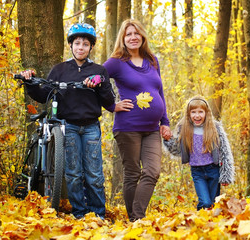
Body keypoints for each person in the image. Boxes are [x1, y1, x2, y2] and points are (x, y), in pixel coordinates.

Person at [20, 23, 115, 219]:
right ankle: (80, 213)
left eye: (86, 44)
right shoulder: (59, 70)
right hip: (68, 127)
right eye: (77, 43)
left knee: (94, 174)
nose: (81, 47)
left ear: (91, 47)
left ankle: (98, 215)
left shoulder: (99, 71)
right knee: (73, 173)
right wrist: (29, 83)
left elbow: (109, 101)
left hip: (91, 128)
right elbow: (44, 94)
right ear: (71, 45)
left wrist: (100, 84)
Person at [103, 19, 172, 221]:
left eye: (136, 33)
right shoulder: (116, 62)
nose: (133, 37)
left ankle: (137, 217)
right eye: (128, 34)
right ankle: (136, 221)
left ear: (142, 36)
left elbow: (160, 92)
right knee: (132, 173)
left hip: (152, 129)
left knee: (152, 172)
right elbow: (97, 80)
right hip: (128, 127)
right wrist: (111, 105)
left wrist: (165, 122)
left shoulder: (152, 60)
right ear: (122, 39)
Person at [163, 96, 235, 210]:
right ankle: (199, 222)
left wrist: (226, 176)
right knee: (205, 202)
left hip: (213, 169)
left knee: (213, 204)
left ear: (206, 113)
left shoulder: (215, 128)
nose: (197, 115)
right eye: (193, 112)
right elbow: (177, 150)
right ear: (188, 114)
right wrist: (168, 140)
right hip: (197, 172)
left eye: (200, 112)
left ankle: (208, 226)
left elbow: (225, 152)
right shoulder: (185, 129)